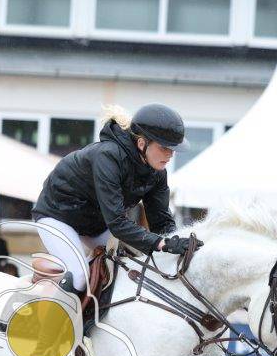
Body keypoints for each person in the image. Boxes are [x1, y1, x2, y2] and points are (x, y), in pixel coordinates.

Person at [30, 103, 198, 294]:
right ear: (142, 143)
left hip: (95, 224)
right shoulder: (108, 156)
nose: (170, 155)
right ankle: (40, 312)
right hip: (57, 216)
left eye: (172, 149)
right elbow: (117, 223)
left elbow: (161, 222)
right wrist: (161, 244)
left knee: (127, 267)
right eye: (164, 148)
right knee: (79, 276)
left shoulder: (157, 172)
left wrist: (179, 243)